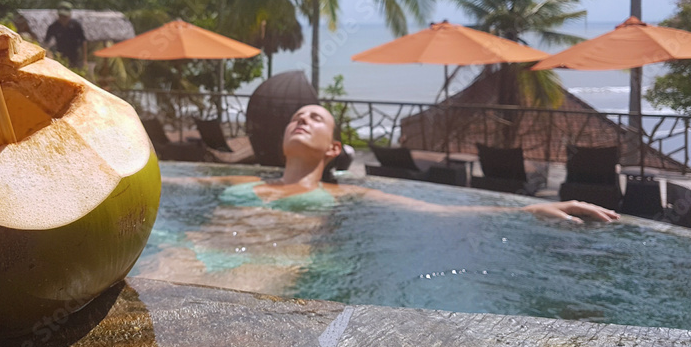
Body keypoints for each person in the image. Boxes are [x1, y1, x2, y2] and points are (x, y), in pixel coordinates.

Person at [170, 104, 620, 224]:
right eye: (295, 117)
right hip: (195, 248)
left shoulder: (343, 194)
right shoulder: (239, 179)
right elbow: (175, 182)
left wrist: (529, 209)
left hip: (269, 258)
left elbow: (440, 212)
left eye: (314, 118)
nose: (300, 120)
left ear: (333, 149)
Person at [44, 1, 86, 68]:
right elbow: (46, 43)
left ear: (70, 15)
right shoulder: (53, 27)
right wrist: (48, 54)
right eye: (61, 16)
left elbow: (83, 42)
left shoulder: (76, 25)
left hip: (75, 57)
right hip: (60, 57)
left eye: (65, 16)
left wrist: (84, 60)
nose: (63, 18)